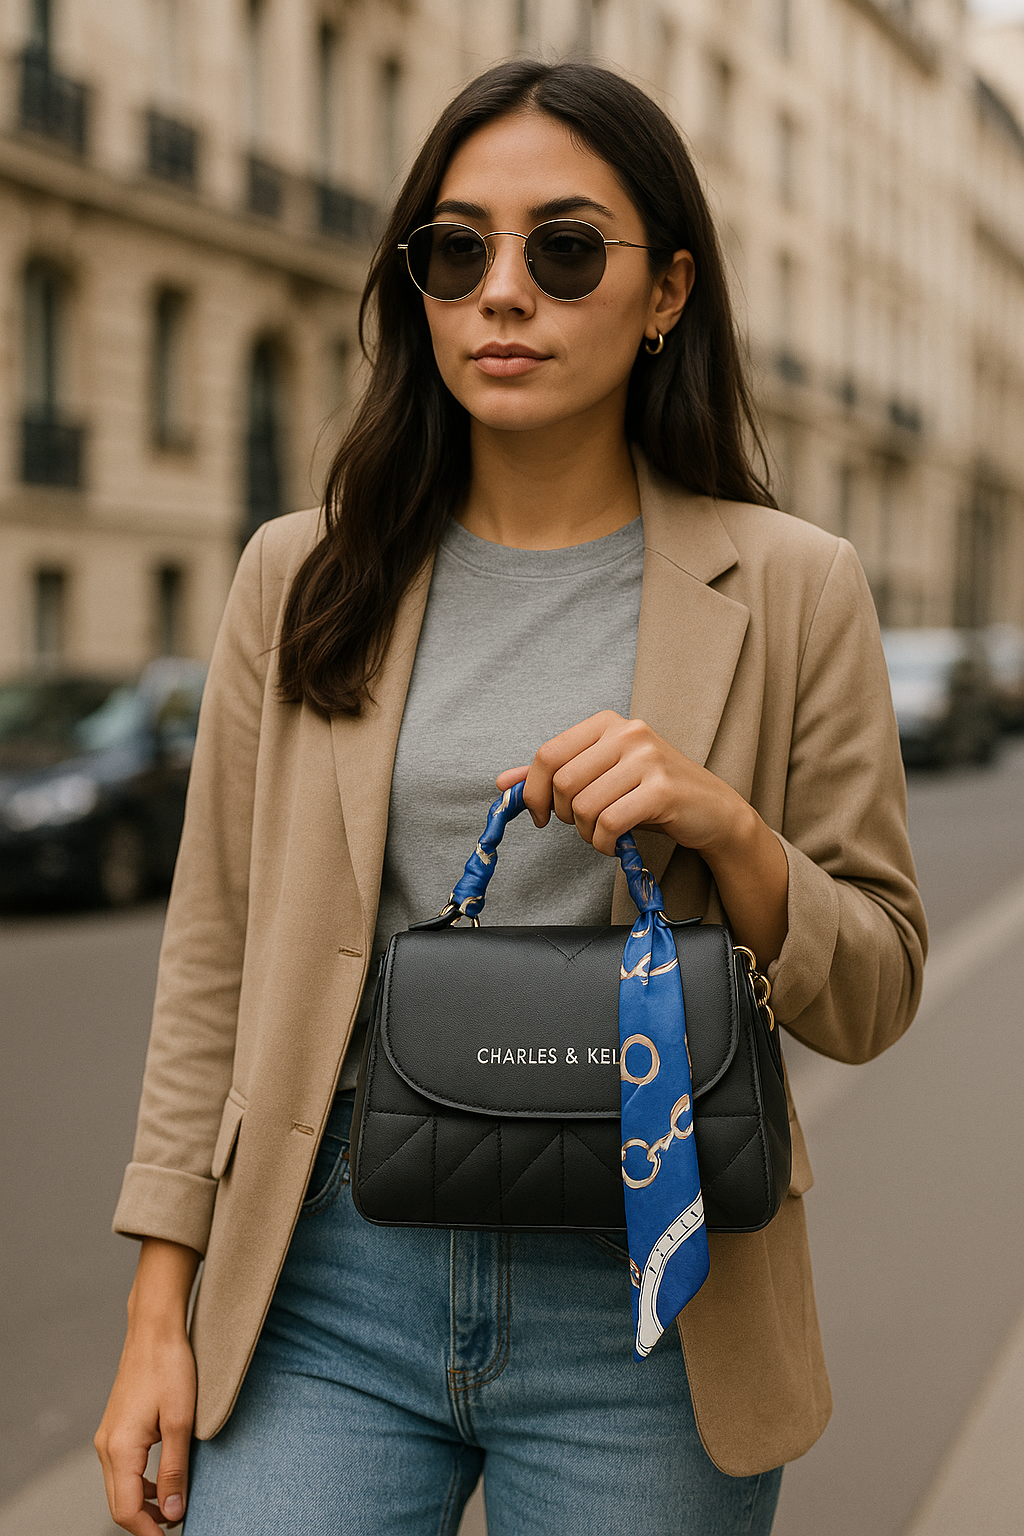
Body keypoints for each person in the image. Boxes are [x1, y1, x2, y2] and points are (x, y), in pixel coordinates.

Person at [95, 59, 927, 1536]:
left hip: (655, 1298)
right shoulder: (302, 574)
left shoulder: (796, 587)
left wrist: (728, 826)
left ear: (665, 291)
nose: (502, 292)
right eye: (456, 249)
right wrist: (161, 1304)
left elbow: (874, 988)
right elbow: (211, 959)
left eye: (562, 248)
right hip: (325, 1277)